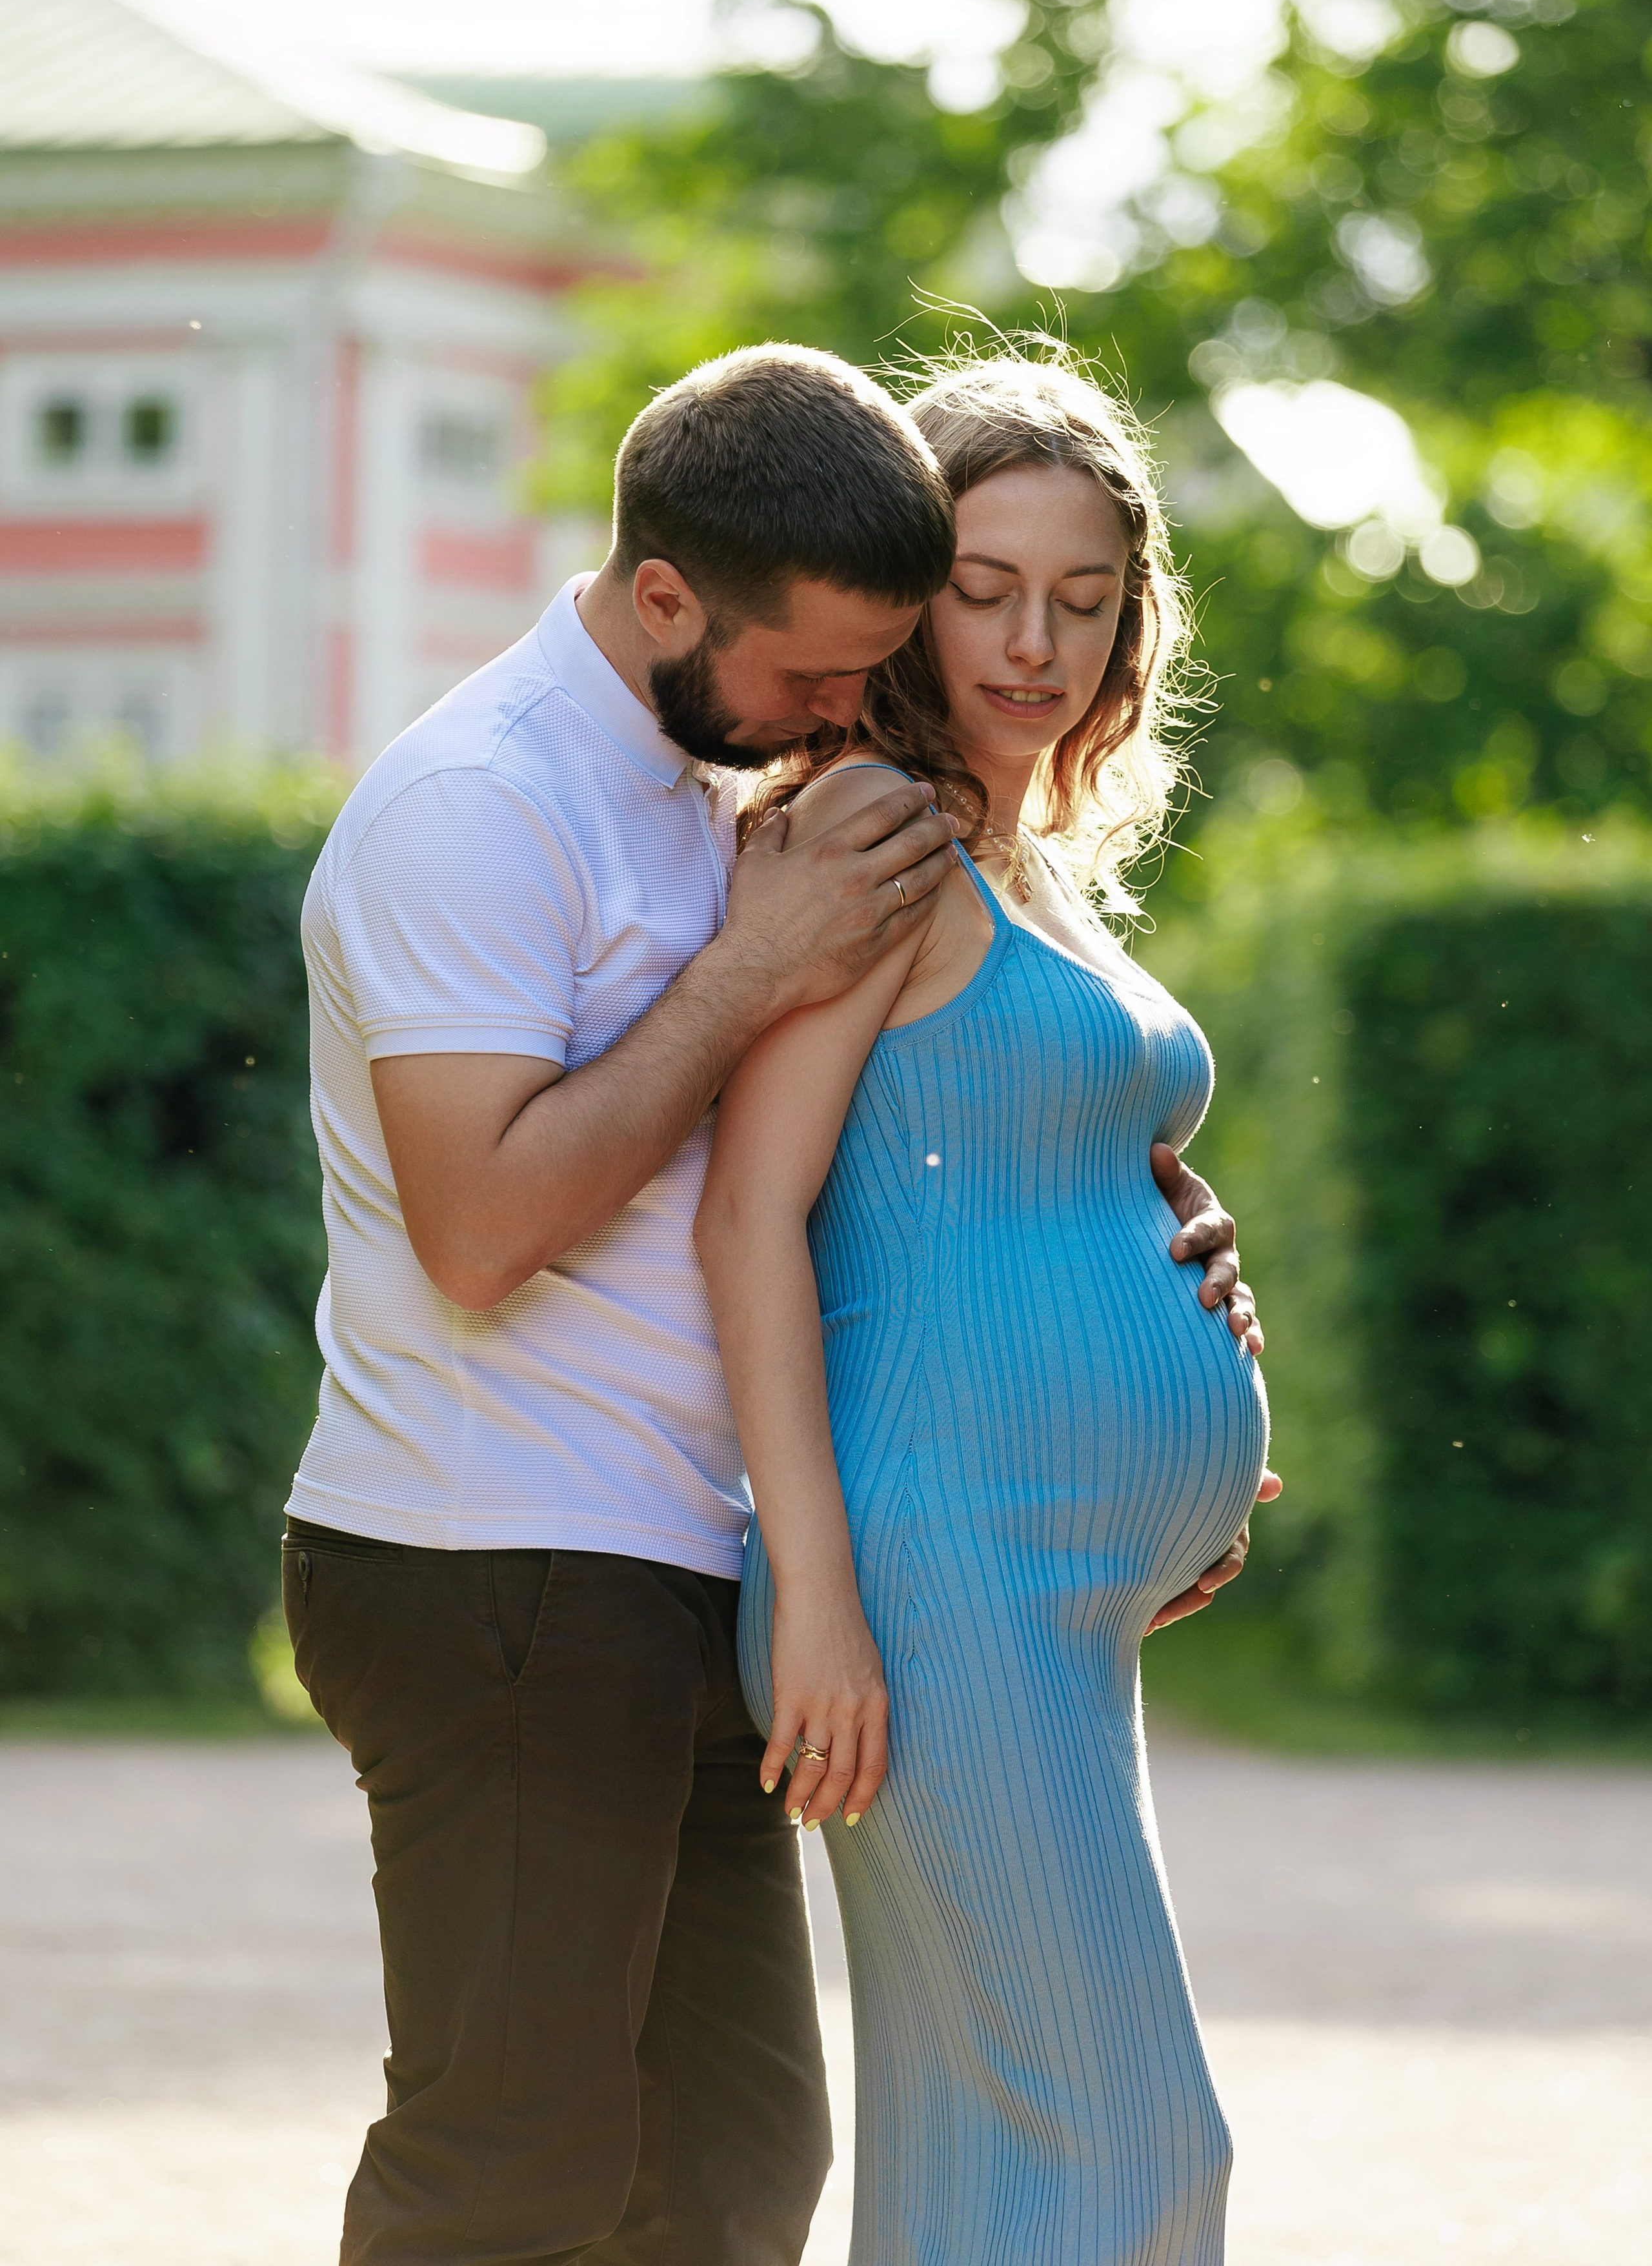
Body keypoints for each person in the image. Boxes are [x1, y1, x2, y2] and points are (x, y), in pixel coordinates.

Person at [282, 343, 1265, 2266]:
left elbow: (905, 1147)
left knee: (731, 2178)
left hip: (680, 1542)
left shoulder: (695, 776)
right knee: (514, 2170)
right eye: (832, 666)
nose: (844, 706)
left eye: (1077, 601)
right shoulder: (483, 806)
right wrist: (755, 971)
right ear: (671, 599)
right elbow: (496, 1232)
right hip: (506, 1549)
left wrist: (1128, 1244)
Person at [696, 351, 1275, 2266]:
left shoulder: (1019, 855)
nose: (1037, 644)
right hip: (932, 1580)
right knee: (1136, 2147)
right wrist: (823, 1599)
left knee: (976, 2153)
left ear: (1131, 623)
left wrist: (1178, 1298)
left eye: (1085, 601)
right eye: (986, 588)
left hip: (1041, 1578)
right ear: (902, 598)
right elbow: (751, 1217)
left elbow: (1017, 1156)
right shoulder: (876, 831)